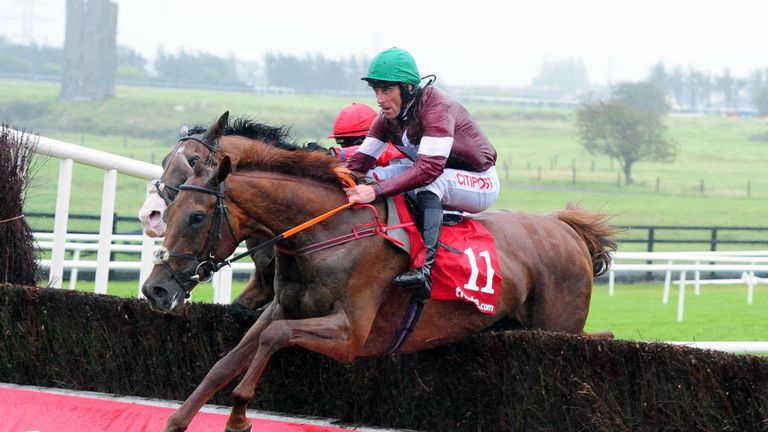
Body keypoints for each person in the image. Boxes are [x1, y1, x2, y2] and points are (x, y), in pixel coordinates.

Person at [344, 47, 500, 301]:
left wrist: (374, 191)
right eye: (376, 90)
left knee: (428, 185)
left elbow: (429, 169)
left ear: (408, 88)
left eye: (386, 90)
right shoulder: (386, 117)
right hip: (439, 172)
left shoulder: (437, 108)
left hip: (479, 181)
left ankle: (424, 269)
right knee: (375, 175)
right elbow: (360, 163)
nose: (379, 99)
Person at [327, 102, 402, 166]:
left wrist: (337, 154)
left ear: (365, 138)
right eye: (341, 144)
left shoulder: (399, 146)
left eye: (348, 143)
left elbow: (383, 152)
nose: (345, 147)